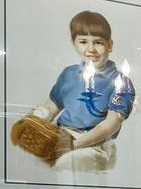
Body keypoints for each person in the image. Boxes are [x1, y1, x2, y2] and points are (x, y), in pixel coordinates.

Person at [22, 9, 133, 173]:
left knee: (65, 163)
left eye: (98, 42)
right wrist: (35, 121)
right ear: (74, 43)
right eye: (83, 42)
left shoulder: (121, 83)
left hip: (94, 145)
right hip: (61, 136)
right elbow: (51, 108)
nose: (91, 49)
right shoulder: (69, 74)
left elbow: (110, 125)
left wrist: (72, 145)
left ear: (110, 45)